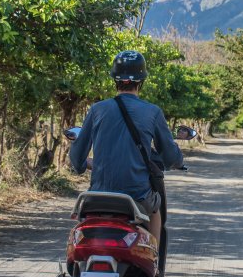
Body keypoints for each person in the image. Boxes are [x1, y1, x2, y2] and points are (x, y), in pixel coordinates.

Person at [68, 50, 184, 255]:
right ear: (142, 81)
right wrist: (175, 158)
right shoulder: (153, 112)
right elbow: (170, 158)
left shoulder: (97, 110)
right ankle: (154, 263)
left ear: (115, 80)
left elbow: (77, 159)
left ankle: (77, 267)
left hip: (98, 195)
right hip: (137, 196)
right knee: (156, 209)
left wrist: (86, 163)